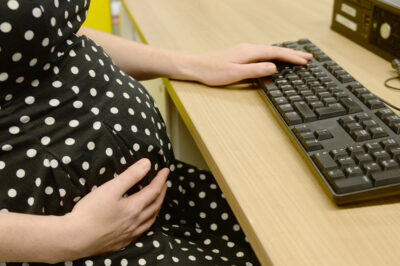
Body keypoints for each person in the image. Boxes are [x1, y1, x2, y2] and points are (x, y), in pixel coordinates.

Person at [0, 0, 312, 265]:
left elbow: (53, 37)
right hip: (67, 239)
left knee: (295, 234)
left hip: (158, 196)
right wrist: (71, 237)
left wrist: (191, 64)